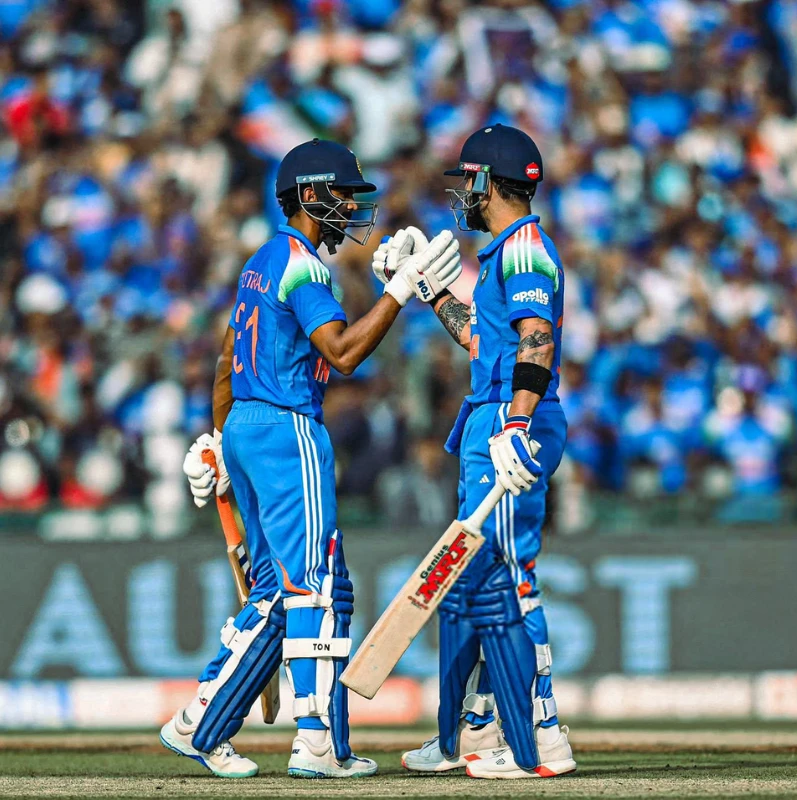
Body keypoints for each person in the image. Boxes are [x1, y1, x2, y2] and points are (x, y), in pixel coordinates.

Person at [160, 138, 461, 779]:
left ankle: (201, 722)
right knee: (313, 586)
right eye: (344, 196)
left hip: (246, 422)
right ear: (311, 196)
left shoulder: (262, 262)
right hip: (286, 425)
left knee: (289, 589)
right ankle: (314, 741)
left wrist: (220, 440)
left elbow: (223, 362)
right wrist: (402, 291)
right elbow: (344, 353)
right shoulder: (303, 265)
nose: (353, 208)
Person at [374, 124, 576, 779]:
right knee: (474, 585)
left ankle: (542, 735)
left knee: (512, 582)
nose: (462, 192)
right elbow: (485, 345)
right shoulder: (503, 255)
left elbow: (536, 340)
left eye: (468, 180)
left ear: (491, 181)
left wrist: (517, 425)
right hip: (491, 415)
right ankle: (481, 729)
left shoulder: (524, 250)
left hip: (511, 422)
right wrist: (433, 295)